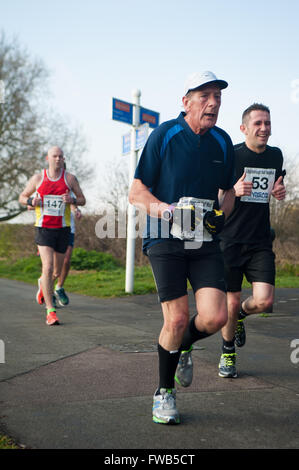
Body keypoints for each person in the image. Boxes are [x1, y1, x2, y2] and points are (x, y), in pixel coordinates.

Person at [129, 71, 236, 424]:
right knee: (175, 318)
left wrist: (222, 213)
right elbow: (136, 192)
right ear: (186, 101)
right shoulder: (165, 135)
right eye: (205, 96)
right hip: (165, 237)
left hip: (203, 240)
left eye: (217, 97)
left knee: (216, 317)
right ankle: (164, 392)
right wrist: (168, 210)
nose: (213, 103)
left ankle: (184, 344)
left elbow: (229, 191)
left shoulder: (221, 141)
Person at [218, 103, 286, 378]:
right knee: (230, 303)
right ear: (244, 128)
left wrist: (281, 190)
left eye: (267, 123)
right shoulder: (231, 156)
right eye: (258, 123)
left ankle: (241, 318)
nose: (264, 128)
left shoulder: (275, 156)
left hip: (259, 239)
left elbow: (277, 185)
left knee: (264, 301)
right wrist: (233, 189)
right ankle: (227, 352)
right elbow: (217, 199)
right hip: (230, 239)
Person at [19, 146, 86, 326]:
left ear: (64, 159)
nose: (58, 159)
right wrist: (32, 201)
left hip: (63, 229)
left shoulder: (70, 179)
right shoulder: (38, 178)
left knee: (57, 270)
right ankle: (51, 311)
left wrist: (72, 201)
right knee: (47, 267)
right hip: (43, 229)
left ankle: (44, 285)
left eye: (61, 156)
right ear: (47, 158)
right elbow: (22, 196)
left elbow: (82, 199)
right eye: (55, 156)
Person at [54, 201, 82, 306]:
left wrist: (76, 210)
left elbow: (72, 201)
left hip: (68, 227)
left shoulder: (68, 185)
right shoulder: (45, 184)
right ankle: (48, 290)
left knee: (66, 260)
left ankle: (59, 288)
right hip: (49, 227)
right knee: (51, 262)